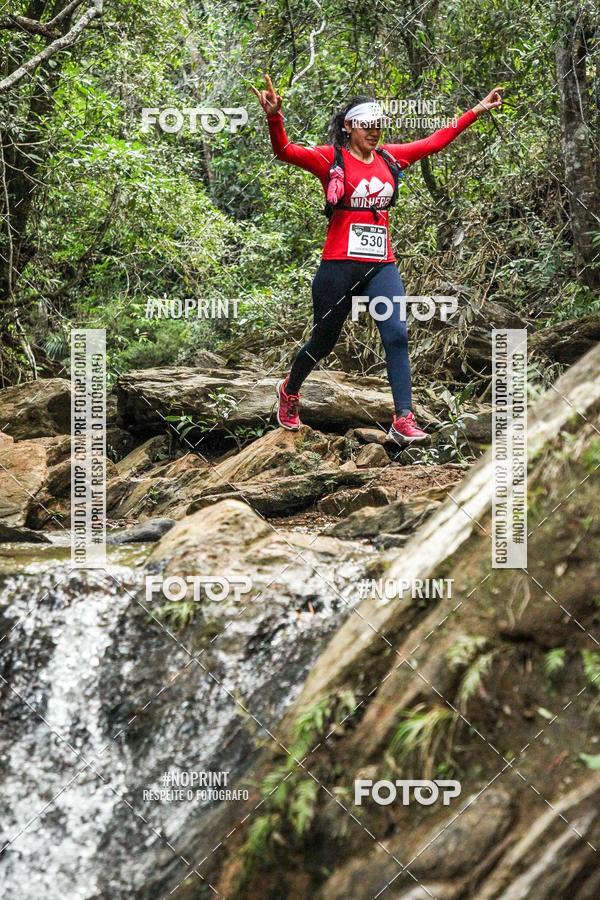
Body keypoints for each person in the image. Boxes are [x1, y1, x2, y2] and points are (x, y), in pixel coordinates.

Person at [251, 75, 503, 442]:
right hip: (338, 266)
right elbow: (285, 151)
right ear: (349, 127)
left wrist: (476, 110)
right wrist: (275, 118)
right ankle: (289, 389)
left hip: (380, 265)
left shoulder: (390, 157)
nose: (374, 131)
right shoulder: (331, 159)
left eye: (378, 125)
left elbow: (436, 140)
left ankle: (403, 418)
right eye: (367, 125)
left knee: (397, 334)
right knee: (323, 341)